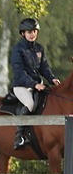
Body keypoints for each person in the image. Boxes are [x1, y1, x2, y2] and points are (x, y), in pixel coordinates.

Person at [9, 17, 61, 150]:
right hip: (21, 86)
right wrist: (33, 84)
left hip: (37, 86)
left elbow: (44, 67)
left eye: (34, 31)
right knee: (30, 104)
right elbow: (19, 72)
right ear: (23, 33)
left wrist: (52, 79)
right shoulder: (18, 49)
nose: (32, 34)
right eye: (29, 32)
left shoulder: (39, 49)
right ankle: (19, 137)